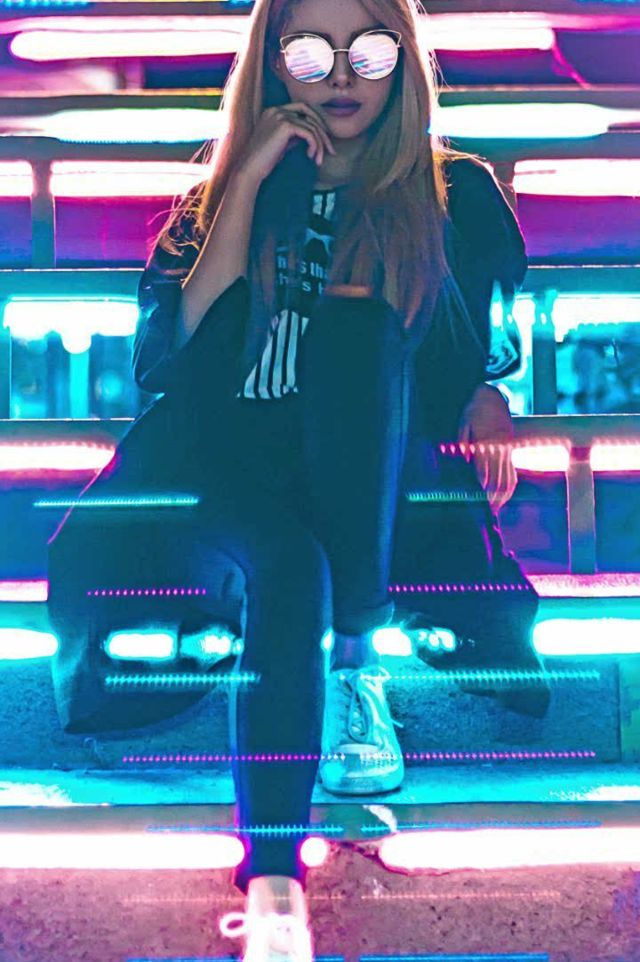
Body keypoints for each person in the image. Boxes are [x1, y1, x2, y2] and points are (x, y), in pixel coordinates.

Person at [46, 0, 547, 958]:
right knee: (286, 561)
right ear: (275, 64)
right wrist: (245, 182)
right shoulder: (228, 192)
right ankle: (277, 894)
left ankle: (350, 668)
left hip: (368, 468)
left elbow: (465, 345)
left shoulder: (454, 194)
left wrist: (489, 390)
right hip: (219, 464)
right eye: (312, 50)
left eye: (370, 49)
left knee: (350, 359)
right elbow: (171, 361)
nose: (343, 74)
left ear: (403, 61)